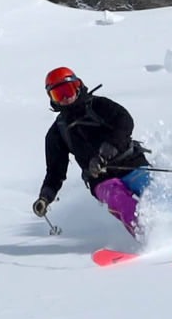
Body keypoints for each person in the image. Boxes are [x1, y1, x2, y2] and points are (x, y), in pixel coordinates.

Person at [32, 66, 152, 239]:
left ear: (77, 85)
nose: (65, 98)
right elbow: (55, 172)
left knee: (153, 190)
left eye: (67, 90)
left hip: (131, 164)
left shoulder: (99, 105)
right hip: (101, 180)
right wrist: (45, 197)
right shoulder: (57, 132)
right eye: (58, 95)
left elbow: (125, 121)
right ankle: (151, 235)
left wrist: (108, 148)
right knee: (119, 199)